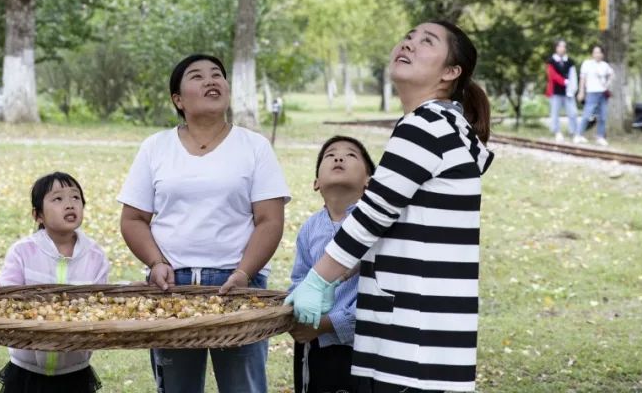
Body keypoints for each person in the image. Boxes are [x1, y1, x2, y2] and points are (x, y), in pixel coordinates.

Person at [287, 21, 494, 393]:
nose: (409, 44)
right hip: (430, 333)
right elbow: (400, 225)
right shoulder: (446, 123)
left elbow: (371, 215)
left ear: (450, 72)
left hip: (412, 338)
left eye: (426, 42)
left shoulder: (425, 126)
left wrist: (318, 280)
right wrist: (342, 275)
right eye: (409, 37)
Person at [118, 53, 290, 393]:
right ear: (178, 100)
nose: (211, 80)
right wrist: (156, 263)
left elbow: (269, 220)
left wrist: (243, 274)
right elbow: (134, 219)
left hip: (238, 287)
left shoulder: (254, 146)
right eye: (197, 76)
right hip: (172, 288)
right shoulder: (155, 147)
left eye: (217, 75)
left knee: (245, 387)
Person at [0, 172, 110, 393]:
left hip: (75, 370)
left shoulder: (95, 256)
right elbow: (6, 297)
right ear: (38, 215)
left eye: (75, 198)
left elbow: (100, 307)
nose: (69, 204)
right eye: (58, 199)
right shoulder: (23, 252)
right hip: (26, 370)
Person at [290, 135, 375, 393]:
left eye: (351, 155)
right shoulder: (309, 229)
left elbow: (377, 296)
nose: (339, 157)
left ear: (369, 182)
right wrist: (295, 314)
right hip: (312, 345)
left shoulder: (373, 226)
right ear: (316, 182)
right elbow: (300, 280)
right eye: (330, 155)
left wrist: (331, 323)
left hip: (362, 348)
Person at [575, 44, 614, 146]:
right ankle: (578, 135)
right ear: (592, 54)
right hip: (591, 92)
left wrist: (607, 84)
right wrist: (581, 91)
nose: (597, 54)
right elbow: (582, 79)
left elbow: (611, 74)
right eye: (595, 52)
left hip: (603, 93)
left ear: (602, 54)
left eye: (599, 52)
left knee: (603, 116)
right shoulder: (587, 64)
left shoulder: (605, 65)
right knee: (587, 115)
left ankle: (600, 136)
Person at [544, 39, 578, 143]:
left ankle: (574, 132)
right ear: (556, 48)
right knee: (555, 113)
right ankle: (557, 132)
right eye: (560, 46)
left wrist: (572, 87)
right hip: (555, 92)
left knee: (573, 112)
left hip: (568, 92)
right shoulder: (551, 61)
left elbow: (573, 76)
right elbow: (552, 75)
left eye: (564, 46)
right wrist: (564, 81)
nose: (562, 49)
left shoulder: (570, 62)